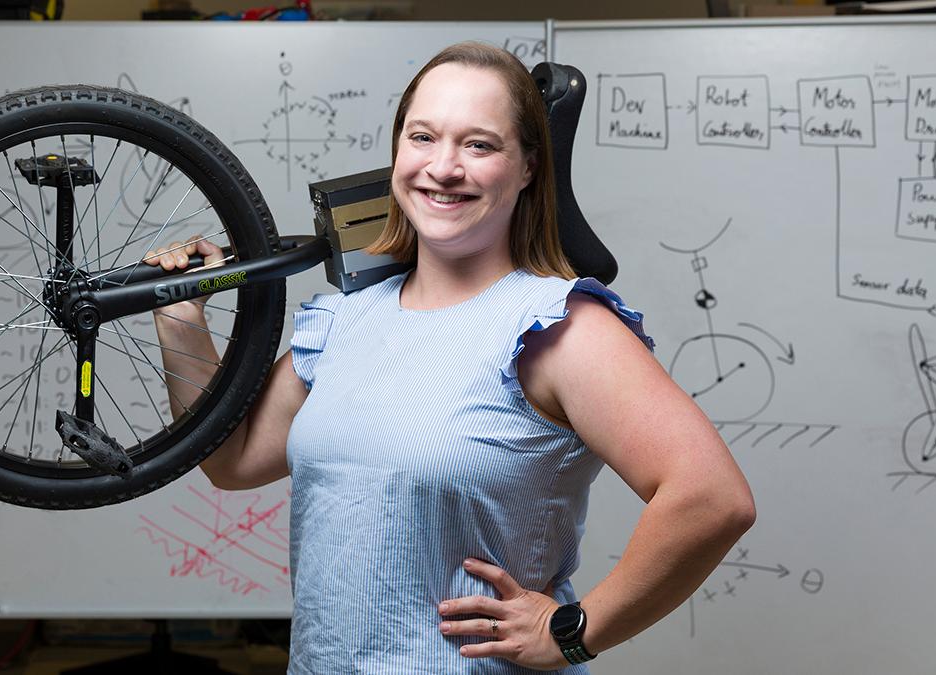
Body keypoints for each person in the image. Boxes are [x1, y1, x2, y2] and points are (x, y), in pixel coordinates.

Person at [146, 41, 755, 674]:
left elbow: (711, 498)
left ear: (527, 168)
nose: (443, 167)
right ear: (397, 154)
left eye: (479, 145)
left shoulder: (557, 328)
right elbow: (233, 461)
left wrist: (574, 634)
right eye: (423, 137)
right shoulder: (344, 320)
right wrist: (180, 316)